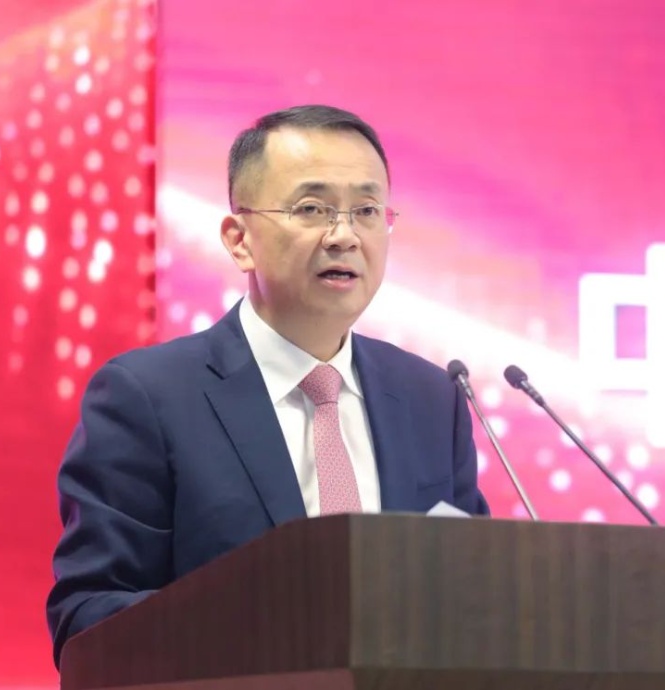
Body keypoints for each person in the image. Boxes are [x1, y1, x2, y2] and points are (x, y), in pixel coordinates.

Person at [45, 104, 489, 668]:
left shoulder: (431, 398)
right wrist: (279, 626)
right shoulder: (146, 398)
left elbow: (475, 594)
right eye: (312, 209)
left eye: (367, 210)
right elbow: (89, 620)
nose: (345, 236)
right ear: (240, 240)